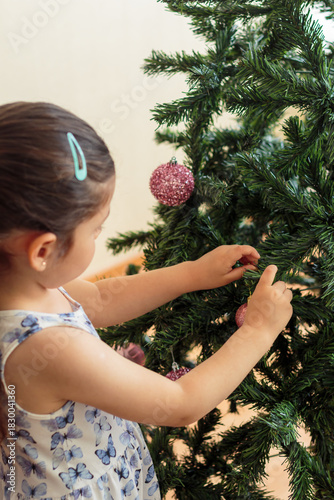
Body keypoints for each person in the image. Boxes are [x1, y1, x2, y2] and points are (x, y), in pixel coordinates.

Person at [0, 101, 293, 500]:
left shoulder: (29, 286)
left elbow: (101, 299)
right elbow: (180, 403)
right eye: (97, 229)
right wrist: (259, 330)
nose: (100, 234)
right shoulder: (50, 347)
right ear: (42, 251)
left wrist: (191, 273)